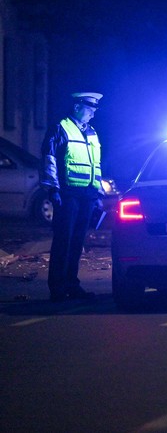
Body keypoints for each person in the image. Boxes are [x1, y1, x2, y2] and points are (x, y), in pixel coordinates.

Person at [40, 92, 105, 302]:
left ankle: (71, 284)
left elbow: (96, 165)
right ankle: (57, 288)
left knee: (77, 242)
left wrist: (98, 194)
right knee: (63, 240)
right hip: (67, 194)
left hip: (87, 195)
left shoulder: (92, 132)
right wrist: (53, 189)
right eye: (90, 109)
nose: (93, 114)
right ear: (77, 107)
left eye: (95, 109)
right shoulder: (61, 127)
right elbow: (49, 159)